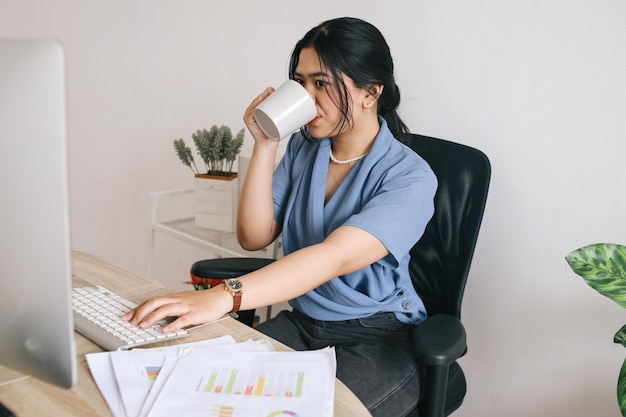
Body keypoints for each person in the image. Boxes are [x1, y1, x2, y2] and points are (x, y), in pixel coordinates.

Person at [124, 17, 437, 416]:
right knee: (195, 395)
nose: (307, 97)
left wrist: (225, 296)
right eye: (300, 82)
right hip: (303, 325)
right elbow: (253, 236)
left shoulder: (410, 178)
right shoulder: (307, 148)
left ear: (370, 93)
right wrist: (266, 143)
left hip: (376, 340)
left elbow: (333, 257)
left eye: (321, 83)